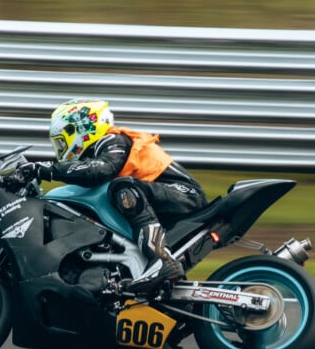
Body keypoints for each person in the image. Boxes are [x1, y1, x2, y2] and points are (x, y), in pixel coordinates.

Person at [16, 98, 207, 292]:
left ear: (80, 130)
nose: (60, 150)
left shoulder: (113, 140)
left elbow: (100, 170)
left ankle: (161, 259)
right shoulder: (103, 148)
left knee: (122, 187)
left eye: (61, 142)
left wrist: (45, 170)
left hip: (185, 194)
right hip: (160, 197)